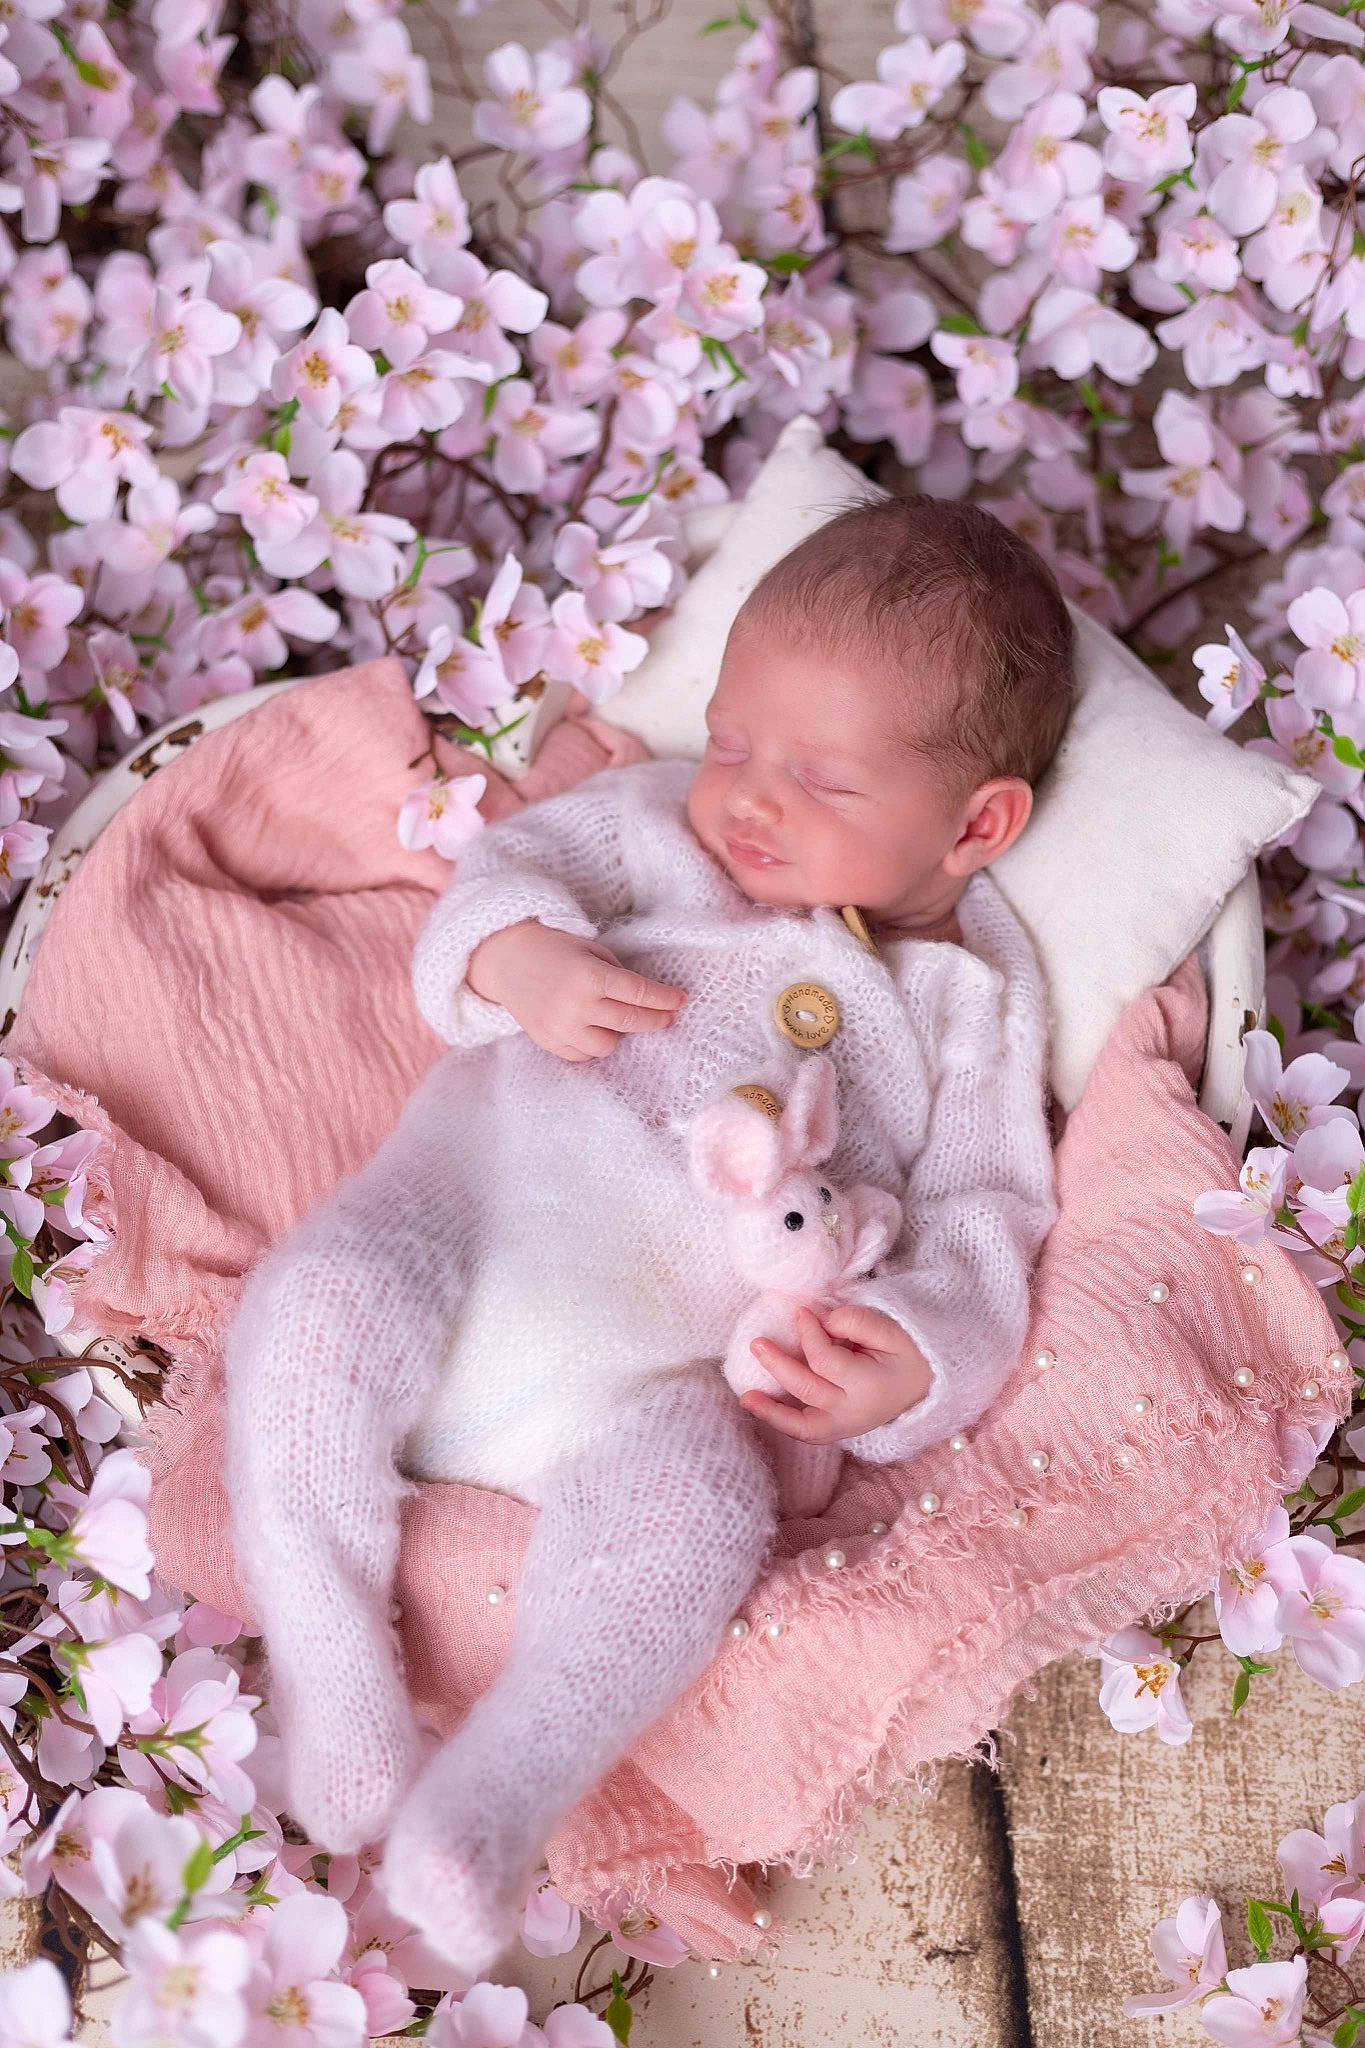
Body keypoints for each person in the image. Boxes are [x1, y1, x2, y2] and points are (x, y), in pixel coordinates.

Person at [222, 491, 1075, 1978]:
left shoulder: (969, 999)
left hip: (655, 1381)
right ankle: (334, 1669)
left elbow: (990, 1211)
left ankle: (496, 1795)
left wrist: (907, 1362)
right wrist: (517, 960)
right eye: (734, 740)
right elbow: (496, 882)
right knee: (313, 1309)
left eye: (816, 779)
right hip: (482, 1217)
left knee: (698, 1513)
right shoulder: (648, 826)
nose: (745, 797)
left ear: (977, 822)